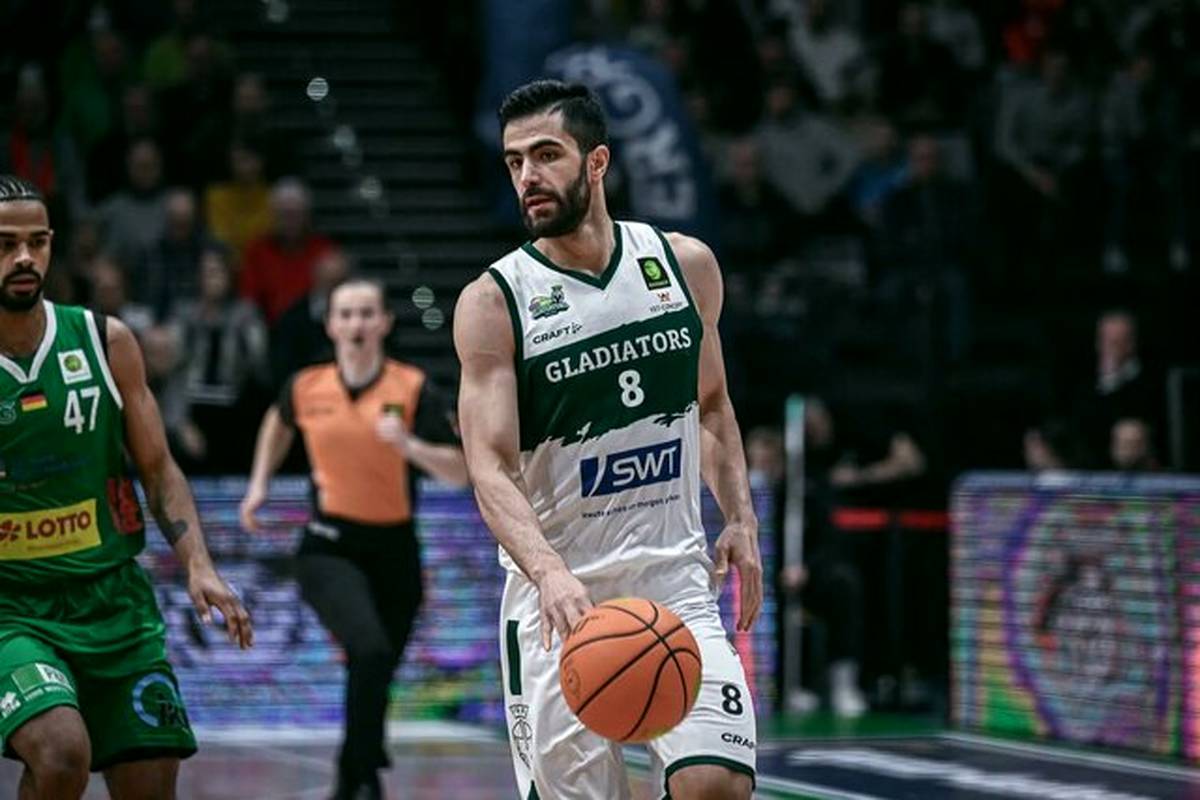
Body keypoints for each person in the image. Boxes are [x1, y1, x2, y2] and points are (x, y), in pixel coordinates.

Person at [454, 80, 762, 800]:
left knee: (716, 785)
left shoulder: (684, 265)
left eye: (546, 155)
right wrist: (548, 572)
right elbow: (489, 469)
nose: (527, 177)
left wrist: (741, 518)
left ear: (596, 163)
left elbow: (712, 405)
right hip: (560, 604)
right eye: (514, 162)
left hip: (673, 582)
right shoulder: (495, 302)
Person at [0, 175, 252, 800]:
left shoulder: (105, 341)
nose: (24, 258)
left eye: (37, 242)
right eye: (5, 245)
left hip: (113, 600)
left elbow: (159, 468)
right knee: (61, 754)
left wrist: (199, 564)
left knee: (150, 784)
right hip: (12, 607)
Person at [240, 276, 468, 800]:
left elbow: (459, 472)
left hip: (395, 549)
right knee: (367, 650)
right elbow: (278, 422)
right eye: (346, 314)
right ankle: (358, 775)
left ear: (384, 322)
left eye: (366, 313)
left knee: (379, 665)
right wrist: (258, 486)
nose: (356, 324)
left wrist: (409, 446)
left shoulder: (412, 387)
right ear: (331, 325)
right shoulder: (307, 386)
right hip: (329, 546)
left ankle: (360, 763)